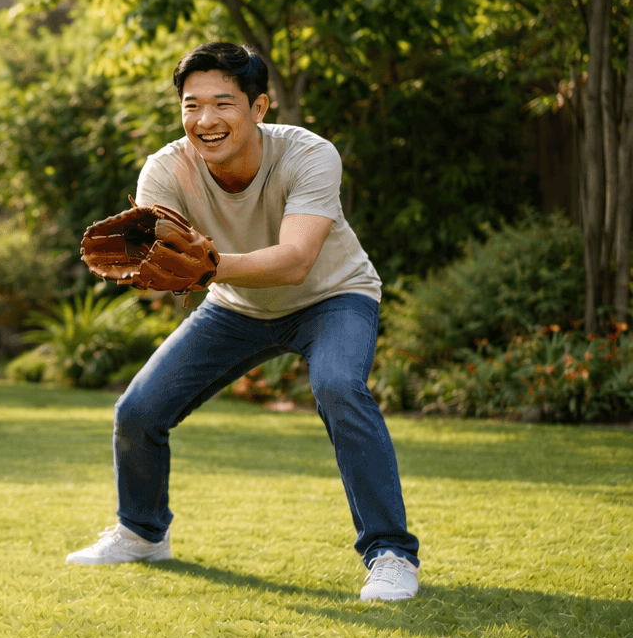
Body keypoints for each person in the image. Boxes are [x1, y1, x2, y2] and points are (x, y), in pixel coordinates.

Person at [64, 42, 420, 602]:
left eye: (223, 103)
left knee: (339, 387)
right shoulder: (165, 168)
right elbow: (158, 251)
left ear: (259, 108)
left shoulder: (309, 155)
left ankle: (391, 553)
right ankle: (141, 533)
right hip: (235, 306)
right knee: (138, 411)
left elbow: (297, 259)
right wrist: (154, 263)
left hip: (332, 296)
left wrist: (209, 267)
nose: (205, 120)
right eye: (191, 105)